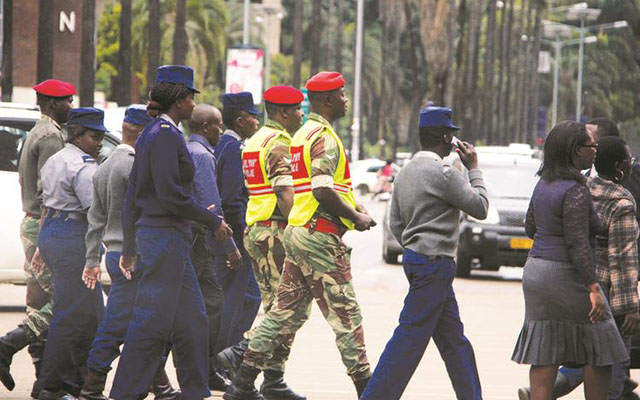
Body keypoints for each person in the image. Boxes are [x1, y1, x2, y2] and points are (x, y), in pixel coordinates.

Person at [223, 71, 376, 400]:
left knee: (284, 310)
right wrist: (355, 217)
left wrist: (349, 204)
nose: (346, 100)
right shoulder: (321, 136)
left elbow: (309, 187)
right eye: (342, 94)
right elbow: (321, 189)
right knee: (346, 316)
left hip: (294, 231)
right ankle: (369, 390)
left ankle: (242, 381)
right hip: (315, 235)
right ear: (328, 100)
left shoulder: (302, 134)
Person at [110, 65, 232, 400]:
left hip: (167, 239)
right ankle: (123, 393)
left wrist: (131, 246)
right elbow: (170, 195)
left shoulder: (155, 132)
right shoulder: (163, 135)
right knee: (150, 325)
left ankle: (196, 391)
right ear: (179, 99)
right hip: (164, 239)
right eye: (192, 98)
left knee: (193, 321)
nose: (194, 105)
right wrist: (211, 221)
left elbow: (136, 195)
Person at [361, 106, 486, 400]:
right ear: (446, 138)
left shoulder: (405, 172)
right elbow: (480, 207)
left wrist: (415, 247)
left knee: (454, 341)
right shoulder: (445, 172)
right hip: (435, 264)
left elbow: (395, 222)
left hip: (417, 260)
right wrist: (474, 169)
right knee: (409, 337)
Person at [511, 121, 629, 400]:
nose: (595, 150)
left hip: (536, 272)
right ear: (577, 151)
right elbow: (577, 243)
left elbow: (530, 226)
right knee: (602, 345)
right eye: (592, 146)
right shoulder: (576, 189)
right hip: (565, 274)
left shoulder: (543, 184)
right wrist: (593, 288)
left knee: (546, 346)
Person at [77, 105, 180, 400]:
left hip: (114, 253)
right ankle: (92, 386)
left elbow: (95, 219)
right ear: (143, 132)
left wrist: (91, 259)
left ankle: (158, 385)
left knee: (140, 321)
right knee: (120, 321)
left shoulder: (105, 165)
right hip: (132, 255)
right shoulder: (134, 166)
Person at [217, 86, 305, 400]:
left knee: (276, 306)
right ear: (282, 112)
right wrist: (301, 230)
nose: (301, 114)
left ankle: (268, 380)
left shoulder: (255, 141)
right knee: (288, 308)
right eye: (296, 109)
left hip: (259, 229)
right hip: (275, 231)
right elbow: (284, 194)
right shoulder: (279, 143)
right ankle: (241, 353)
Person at [0, 79, 74, 396]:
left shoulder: (39, 130)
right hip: (44, 226)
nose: (71, 105)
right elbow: (51, 194)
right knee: (66, 300)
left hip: (34, 224)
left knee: (39, 302)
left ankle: (44, 382)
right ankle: (8, 344)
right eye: (68, 101)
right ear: (53, 103)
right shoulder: (51, 137)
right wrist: (50, 239)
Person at [35, 107, 108, 400]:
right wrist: (94, 258)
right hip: (73, 236)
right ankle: (50, 387)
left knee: (91, 315)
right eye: (94, 136)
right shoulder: (84, 167)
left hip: (54, 230)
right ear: (76, 134)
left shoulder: (56, 159)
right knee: (70, 315)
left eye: (102, 136)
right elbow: (94, 216)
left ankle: (75, 383)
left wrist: (42, 244)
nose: (100, 142)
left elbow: (45, 204)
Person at [186, 103, 241, 392]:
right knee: (205, 306)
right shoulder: (202, 156)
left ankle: (207, 372)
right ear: (206, 128)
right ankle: (201, 372)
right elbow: (213, 205)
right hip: (198, 242)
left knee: (209, 304)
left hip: (196, 239)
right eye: (218, 125)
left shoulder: (192, 150)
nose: (221, 130)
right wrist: (230, 247)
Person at [214, 92, 262, 354]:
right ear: (241, 120)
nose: (257, 122)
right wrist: (242, 238)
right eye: (253, 117)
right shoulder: (233, 149)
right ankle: (224, 354)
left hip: (230, 236)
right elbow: (232, 200)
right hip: (234, 238)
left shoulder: (225, 144)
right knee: (232, 300)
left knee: (250, 297)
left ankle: (230, 352)